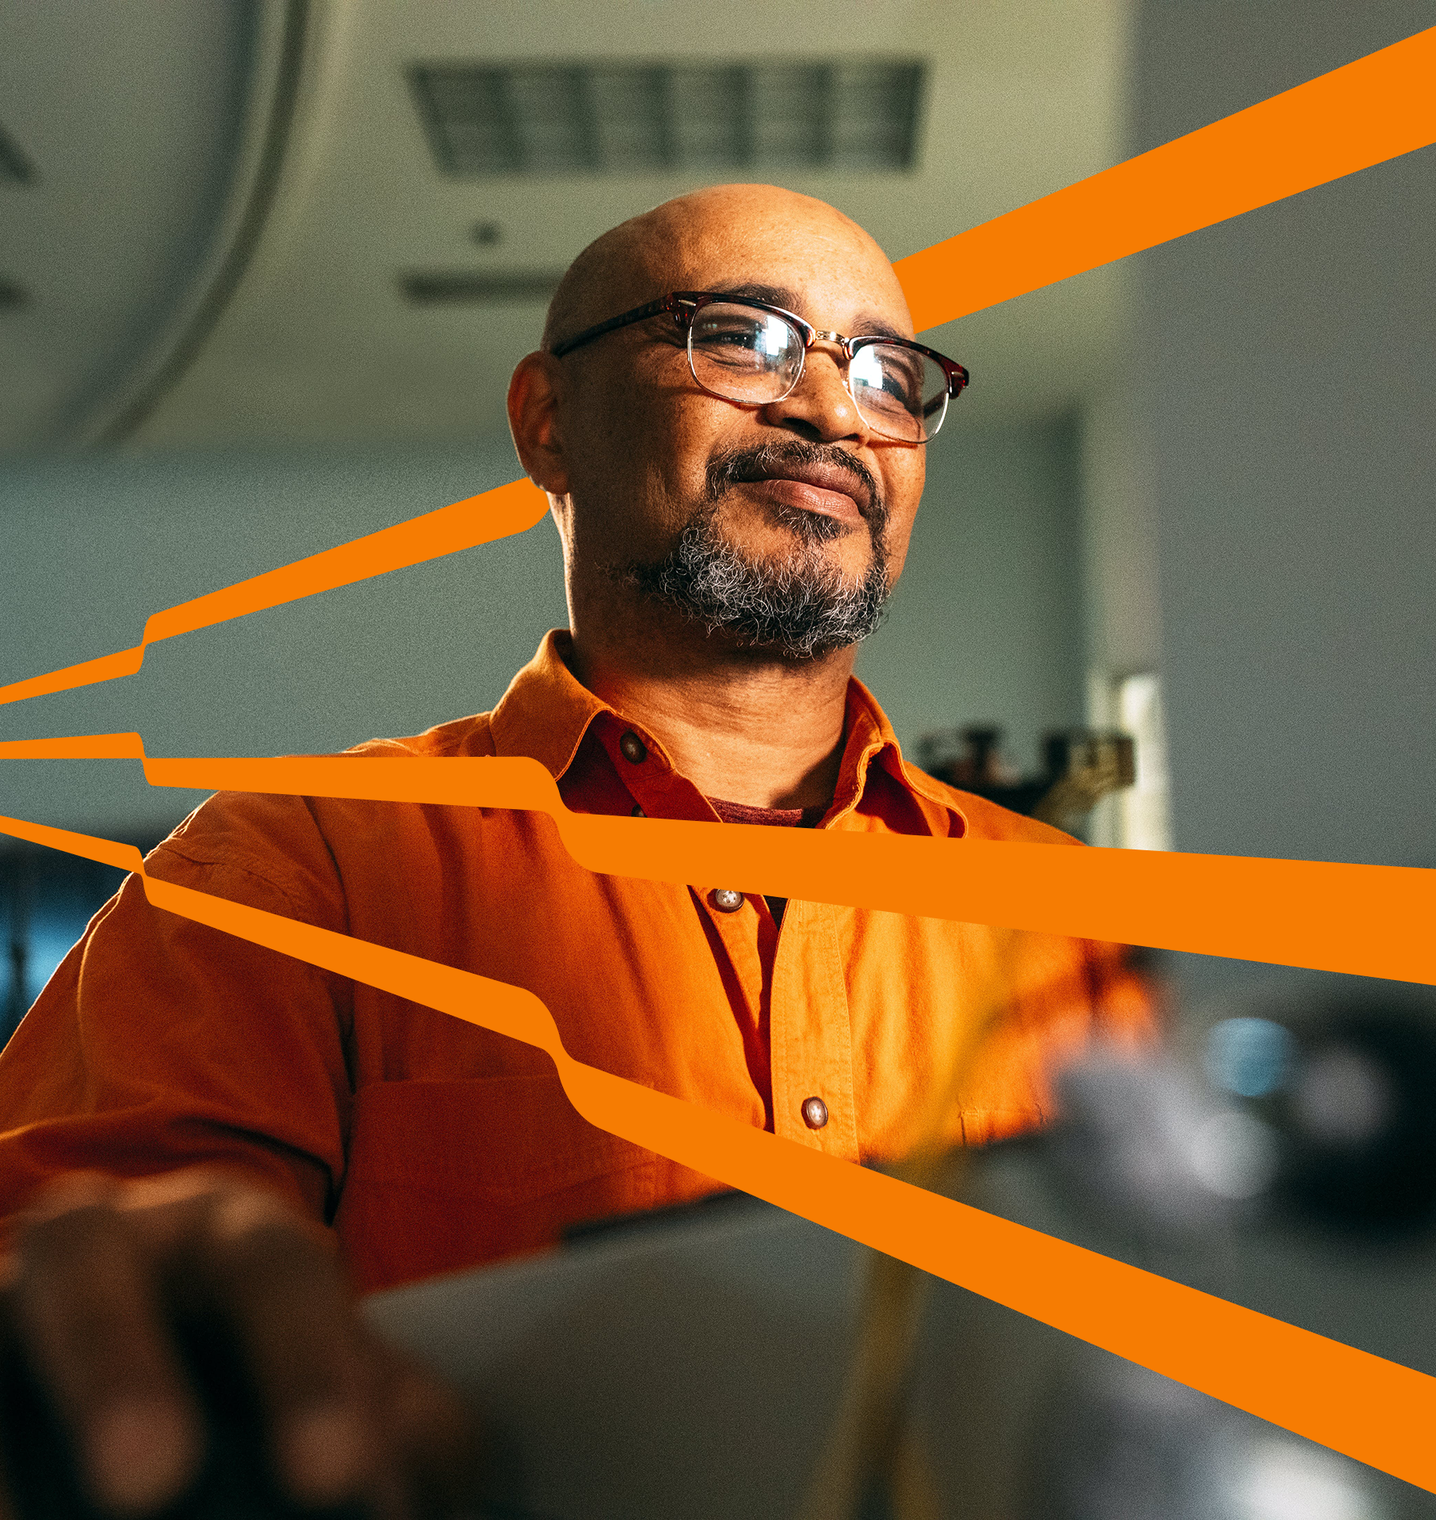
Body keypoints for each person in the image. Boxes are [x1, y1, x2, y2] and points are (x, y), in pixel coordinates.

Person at [0, 185, 1152, 1517]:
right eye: (746, 339)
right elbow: (89, 1309)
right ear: (549, 422)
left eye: (891, 375)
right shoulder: (285, 876)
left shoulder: (1068, 923)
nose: (834, 412)